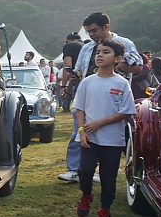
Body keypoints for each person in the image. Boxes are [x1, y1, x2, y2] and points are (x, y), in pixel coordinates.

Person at [58, 12, 143, 183]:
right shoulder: (87, 47)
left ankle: (103, 171)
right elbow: (80, 69)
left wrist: (115, 63)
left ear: (106, 27)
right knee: (79, 133)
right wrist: (75, 75)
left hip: (113, 99)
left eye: (94, 30)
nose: (91, 35)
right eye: (88, 31)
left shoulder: (124, 44)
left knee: (109, 136)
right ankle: (75, 169)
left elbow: (138, 67)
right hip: (88, 97)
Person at [73, 39, 136, 217]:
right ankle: (86, 195)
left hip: (113, 140)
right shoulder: (87, 82)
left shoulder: (122, 83)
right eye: (98, 52)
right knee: (84, 171)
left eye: (105, 52)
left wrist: (101, 122)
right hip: (89, 137)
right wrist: (82, 131)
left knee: (108, 178)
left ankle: (105, 210)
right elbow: (79, 109)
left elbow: (126, 111)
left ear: (117, 58)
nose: (99, 55)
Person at [60, 33, 84, 112]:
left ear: (68, 41)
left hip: (77, 78)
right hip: (89, 77)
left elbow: (67, 65)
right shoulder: (86, 46)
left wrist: (63, 86)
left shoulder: (68, 46)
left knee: (78, 108)